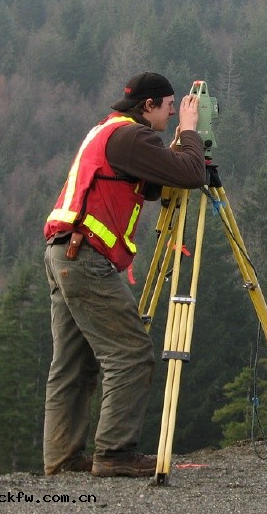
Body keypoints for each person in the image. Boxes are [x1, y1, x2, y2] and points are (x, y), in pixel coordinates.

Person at [43, 72, 206, 477]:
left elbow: (149, 185)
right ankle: (114, 454)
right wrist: (190, 133)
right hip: (85, 259)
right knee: (130, 354)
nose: (172, 113)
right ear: (147, 106)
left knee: (73, 365)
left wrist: (168, 151)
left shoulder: (108, 131)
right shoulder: (132, 137)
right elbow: (190, 174)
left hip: (64, 251)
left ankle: (63, 460)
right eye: (169, 106)